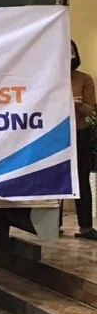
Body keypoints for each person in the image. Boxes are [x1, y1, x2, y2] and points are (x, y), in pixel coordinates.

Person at [71, 40, 97, 240]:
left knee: (81, 178)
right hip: (56, 134)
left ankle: (86, 227)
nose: (69, 54)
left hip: (80, 133)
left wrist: (78, 105)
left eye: (72, 51)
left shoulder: (84, 78)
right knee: (54, 177)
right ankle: (52, 225)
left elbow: (90, 110)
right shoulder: (50, 78)